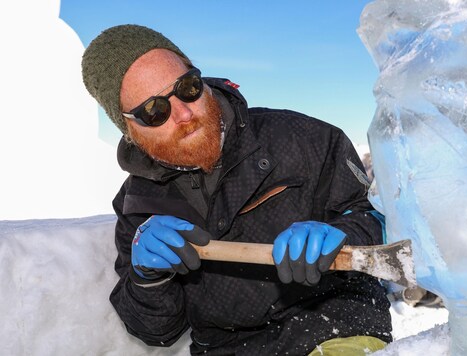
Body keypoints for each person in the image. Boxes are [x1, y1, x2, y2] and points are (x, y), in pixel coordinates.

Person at [81, 24, 392, 355]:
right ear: (129, 129)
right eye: (154, 111)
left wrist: (343, 234)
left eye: (187, 87)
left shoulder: (304, 138)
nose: (184, 113)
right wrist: (148, 279)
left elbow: (380, 220)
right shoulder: (138, 204)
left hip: (335, 330)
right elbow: (157, 331)